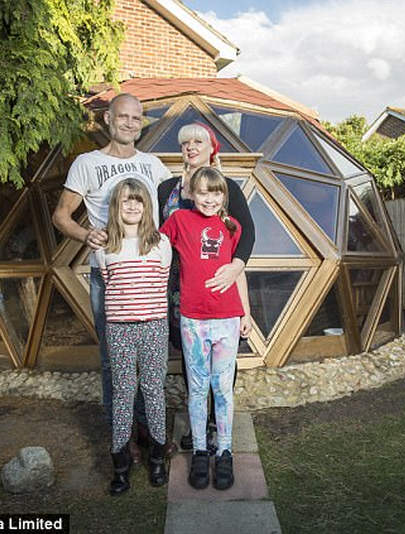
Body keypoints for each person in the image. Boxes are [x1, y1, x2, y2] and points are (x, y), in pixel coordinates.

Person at [52, 93, 172, 459]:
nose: (130, 124)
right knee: (112, 360)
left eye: (137, 119)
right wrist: (85, 234)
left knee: (151, 364)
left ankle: (151, 433)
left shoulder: (153, 165)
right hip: (110, 275)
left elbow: (177, 206)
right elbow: (61, 216)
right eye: (124, 117)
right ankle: (124, 439)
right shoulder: (86, 163)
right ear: (108, 119)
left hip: (148, 275)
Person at [157, 122, 255, 452]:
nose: (191, 147)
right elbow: (158, 237)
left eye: (198, 141)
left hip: (218, 285)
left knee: (223, 361)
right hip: (178, 287)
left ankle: (216, 424)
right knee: (191, 360)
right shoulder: (167, 189)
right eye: (185, 142)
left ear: (212, 148)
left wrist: (235, 267)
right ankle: (200, 424)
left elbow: (245, 235)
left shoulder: (224, 187)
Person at [94, 179, 172, 496]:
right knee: (123, 393)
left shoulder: (160, 243)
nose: (132, 206)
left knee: (153, 391)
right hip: (120, 329)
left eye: (138, 200)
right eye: (126, 200)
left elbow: (163, 282)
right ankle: (121, 466)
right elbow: (109, 282)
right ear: (117, 205)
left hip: (153, 327)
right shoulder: (104, 247)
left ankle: (156, 459)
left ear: (146, 206)